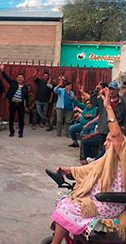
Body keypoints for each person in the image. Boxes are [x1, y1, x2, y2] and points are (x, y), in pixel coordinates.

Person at [50, 87, 126, 244]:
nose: (105, 142)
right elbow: (89, 168)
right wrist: (69, 170)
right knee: (67, 198)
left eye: (109, 140)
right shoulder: (107, 159)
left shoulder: (122, 156)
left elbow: (117, 135)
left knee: (67, 207)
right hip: (101, 198)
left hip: (110, 202)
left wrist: (108, 107)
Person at [0, 63, 28, 138]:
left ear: (23, 79)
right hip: (12, 104)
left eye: (21, 77)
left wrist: (27, 106)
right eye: (19, 77)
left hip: (20, 105)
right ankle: (11, 131)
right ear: (16, 78)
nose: (20, 78)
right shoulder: (13, 83)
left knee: (21, 119)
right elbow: (6, 77)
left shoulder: (25, 87)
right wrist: (2, 70)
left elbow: (26, 97)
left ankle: (20, 132)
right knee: (11, 118)